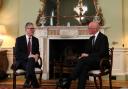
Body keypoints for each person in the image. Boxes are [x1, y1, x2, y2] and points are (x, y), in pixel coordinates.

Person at [66, 21, 109, 89]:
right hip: (91, 62)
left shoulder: (103, 38)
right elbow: (87, 51)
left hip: (101, 62)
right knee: (83, 67)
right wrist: (83, 55)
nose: (88, 29)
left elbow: (102, 53)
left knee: (83, 61)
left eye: (89, 28)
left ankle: (69, 79)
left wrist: (88, 56)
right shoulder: (91, 38)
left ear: (94, 29)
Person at [15, 22, 40, 88]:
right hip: (22, 62)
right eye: (31, 28)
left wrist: (37, 55)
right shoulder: (19, 40)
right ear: (26, 29)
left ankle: (27, 80)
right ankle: (34, 83)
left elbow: (37, 52)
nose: (33, 30)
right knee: (30, 60)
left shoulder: (36, 40)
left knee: (31, 60)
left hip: (33, 61)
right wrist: (28, 56)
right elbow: (17, 54)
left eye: (33, 28)